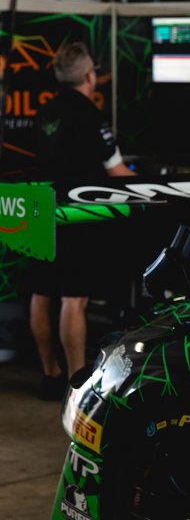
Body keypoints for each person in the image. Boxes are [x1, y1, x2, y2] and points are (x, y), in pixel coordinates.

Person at [29, 41, 135, 400]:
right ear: (89, 76)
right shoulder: (91, 115)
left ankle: (49, 374)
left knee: (41, 293)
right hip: (76, 216)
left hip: (40, 210)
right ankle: (77, 383)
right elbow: (118, 172)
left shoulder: (44, 112)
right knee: (73, 300)